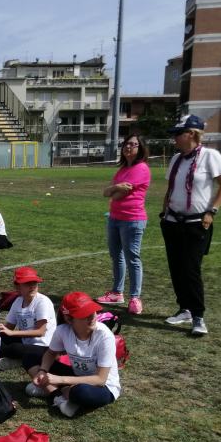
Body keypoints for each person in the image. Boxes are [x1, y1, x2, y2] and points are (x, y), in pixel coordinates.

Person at [161, 115, 221, 336]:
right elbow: (171, 188)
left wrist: (212, 211)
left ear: (191, 134)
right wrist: (164, 212)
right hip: (172, 222)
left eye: (178, 134)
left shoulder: (211, 156)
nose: (174, 139)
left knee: (191, 269)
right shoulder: (176, 159)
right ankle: (184, 309)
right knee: (176, 268)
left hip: (196, 223)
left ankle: (198, 315)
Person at [26, 292, 121, 418]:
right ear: (69, 319)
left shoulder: (104, 335)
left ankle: (56, 391)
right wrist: (43, 371)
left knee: (81, 392)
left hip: (104, 387)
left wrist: (60, 380)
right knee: (31, 356)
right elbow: (50, 353)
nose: (92, 316)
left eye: (92, 311)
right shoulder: (62, 331)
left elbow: (100, 379)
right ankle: (59, 396)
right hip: (77, 376)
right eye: (84, 314)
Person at [96, 134, 151, 315]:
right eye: (127, 143)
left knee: (132, 258)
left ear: (140, 148)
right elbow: (107, 193)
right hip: (114, 218)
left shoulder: (141, 168)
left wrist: (114, 190)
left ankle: (135, 297)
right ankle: (117, 292)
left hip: (132, 219)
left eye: (134, 144)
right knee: (116, 255)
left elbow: (118, 195)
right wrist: (115, 188)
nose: (129, 147)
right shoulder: (121, 170)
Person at [0, 266, 56, 371]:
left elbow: (40, 332)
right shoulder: (18, 301)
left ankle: (21, 361)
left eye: (35, 283)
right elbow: (9, 326)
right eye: (27, 284)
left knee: (14, 348)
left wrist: (11, 333)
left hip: (44, 346)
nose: (32, 286)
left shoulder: (42, 302)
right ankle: (21, 359)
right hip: (26, 341)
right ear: (17, 287)